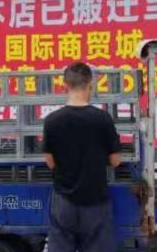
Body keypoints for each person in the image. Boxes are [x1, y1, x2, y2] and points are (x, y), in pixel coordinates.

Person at [42, 62, 122, 252]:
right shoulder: (103, 118)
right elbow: (115, 161)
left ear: (65, 85)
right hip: (96, 202)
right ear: (90, 85)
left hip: (64, 201)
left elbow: (49, 162)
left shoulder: (52, 120)